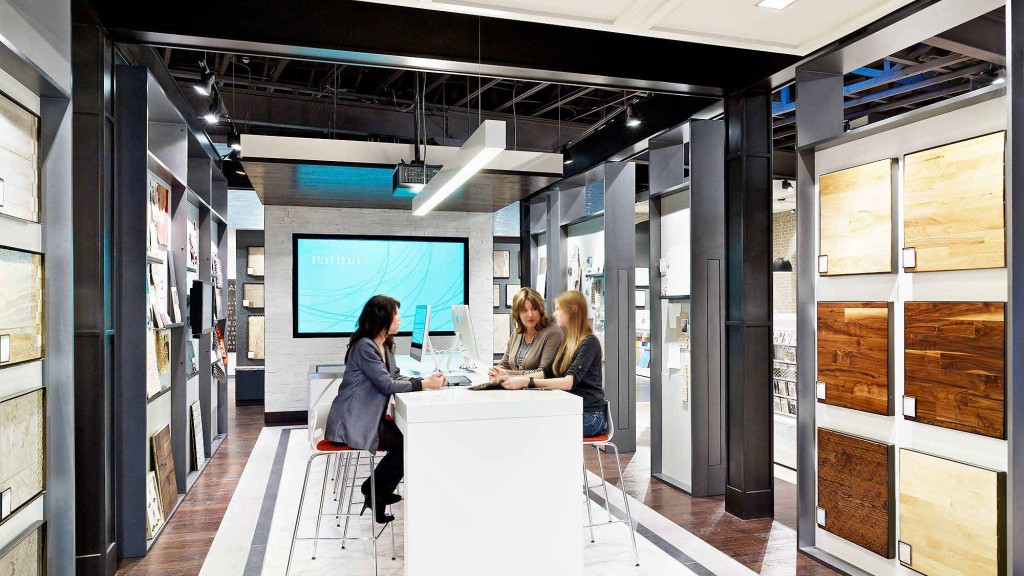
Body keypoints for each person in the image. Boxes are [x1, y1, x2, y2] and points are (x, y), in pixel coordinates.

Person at [324, 295, 446, 523]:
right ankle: (374, 490)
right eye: (396, 314)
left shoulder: (385, 345)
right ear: (383, 318)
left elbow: (394, 375)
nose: (400, 319)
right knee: (406, 443)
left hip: (369, 417)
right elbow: (387, 384)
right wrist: (425, 384)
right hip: (354, 421)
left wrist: (424, 379)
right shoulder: (365, 347)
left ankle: (375, 491)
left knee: (407, 441)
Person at [495, 290, 606, 436]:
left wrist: (527, 383)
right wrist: (518, 379)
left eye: (558, 309)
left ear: (572, 311)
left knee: (538, 430)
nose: (554, 314)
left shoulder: (589, 342)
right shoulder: (568, 342)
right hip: (571, 410)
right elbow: (547, 372)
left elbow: (568, 382)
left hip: (591, 416)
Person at [488, 287, 562, 379]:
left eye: (534, 309)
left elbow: (543, 373)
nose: (530, 315)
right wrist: (495, 371)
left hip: (539, 390)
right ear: (517, 314)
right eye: (524, 310)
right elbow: (504, 364)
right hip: (515, 389)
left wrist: (507, 374)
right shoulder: (517, 332)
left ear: (541, 310)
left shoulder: (553, 333)